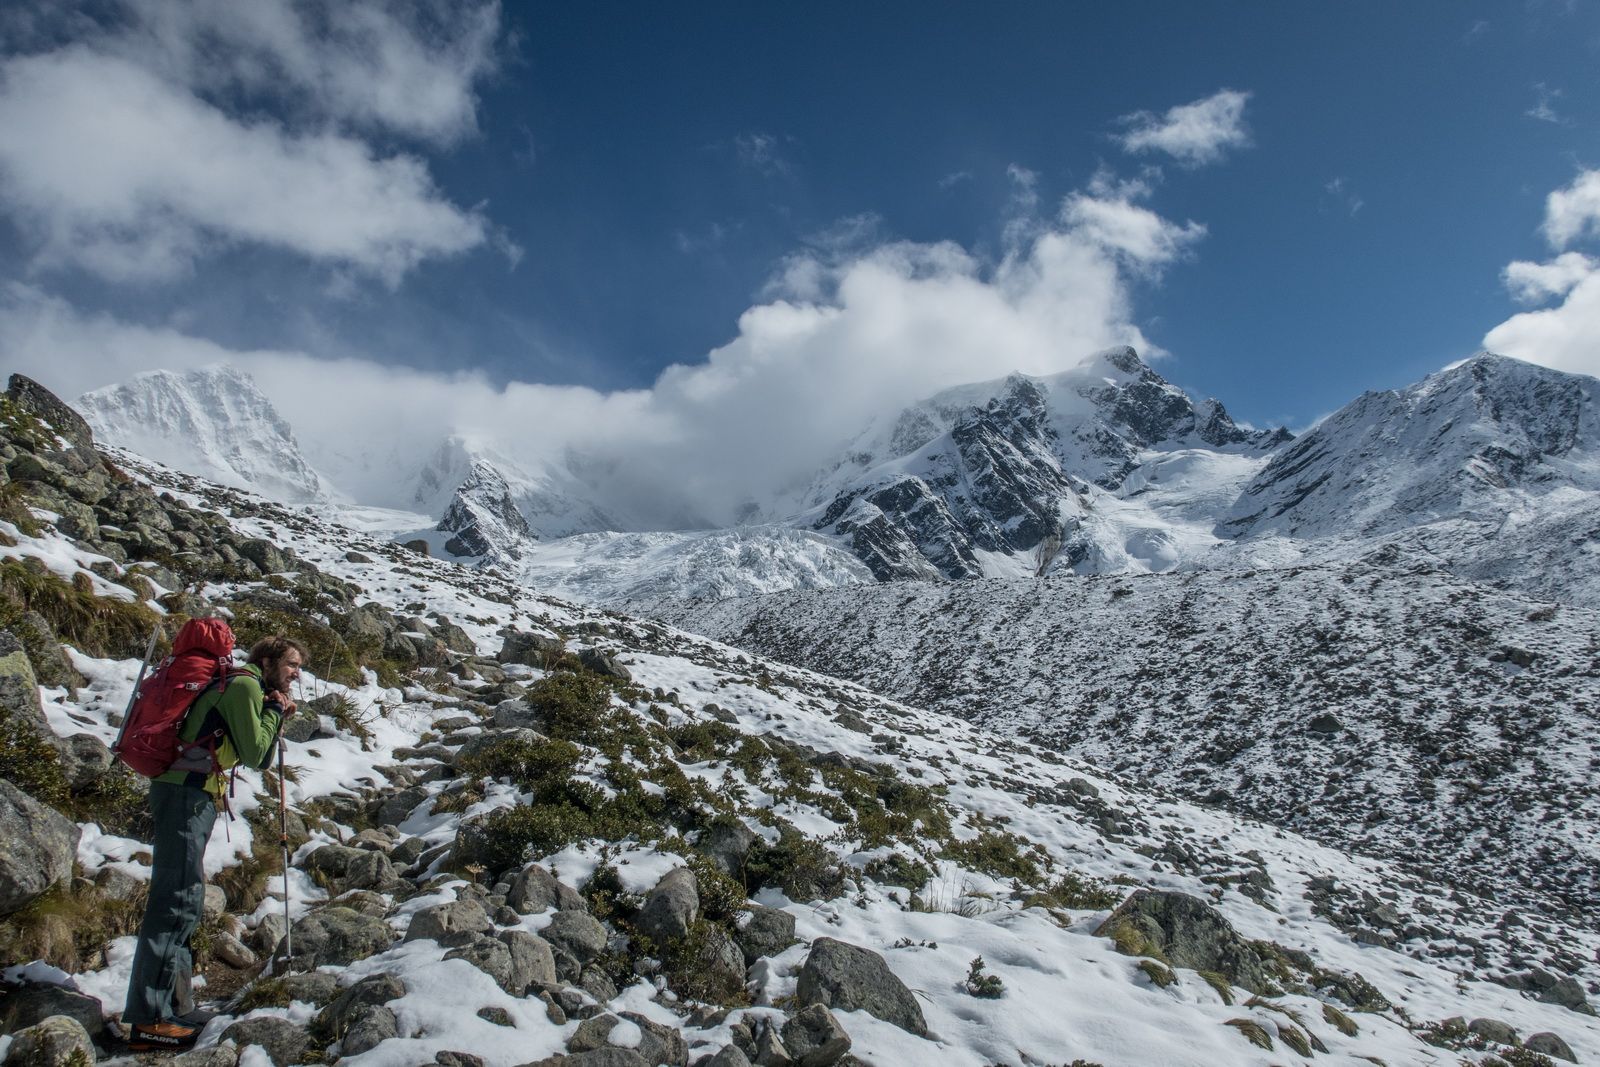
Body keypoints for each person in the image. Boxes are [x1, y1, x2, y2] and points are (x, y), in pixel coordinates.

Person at [122, 635, 304, 1051]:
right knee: (176, 899)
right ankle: (150, 1018)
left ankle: (177, 1006)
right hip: (185, 794)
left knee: (184, 897)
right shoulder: (243, 686)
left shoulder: (246, 686)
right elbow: (257, 752)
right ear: (269, 660)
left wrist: (273, 709)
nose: (296, 674)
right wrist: (275, 711)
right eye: (292, 665)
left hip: (193, 792)